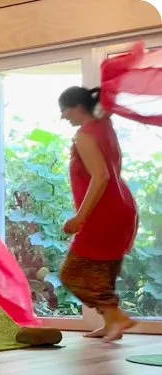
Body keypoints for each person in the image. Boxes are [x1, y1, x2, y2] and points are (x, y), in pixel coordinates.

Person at [57, 86, 139, 342]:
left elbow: (100, 176)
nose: (63, 117)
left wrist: (80, 217)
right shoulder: (105, 126)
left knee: (72, 273)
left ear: (76, 108)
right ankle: (110, 324)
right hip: (123, 207)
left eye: (64, 110)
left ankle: (115, 316)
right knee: (104, 271)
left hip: (104, 212)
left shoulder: (84, 136)